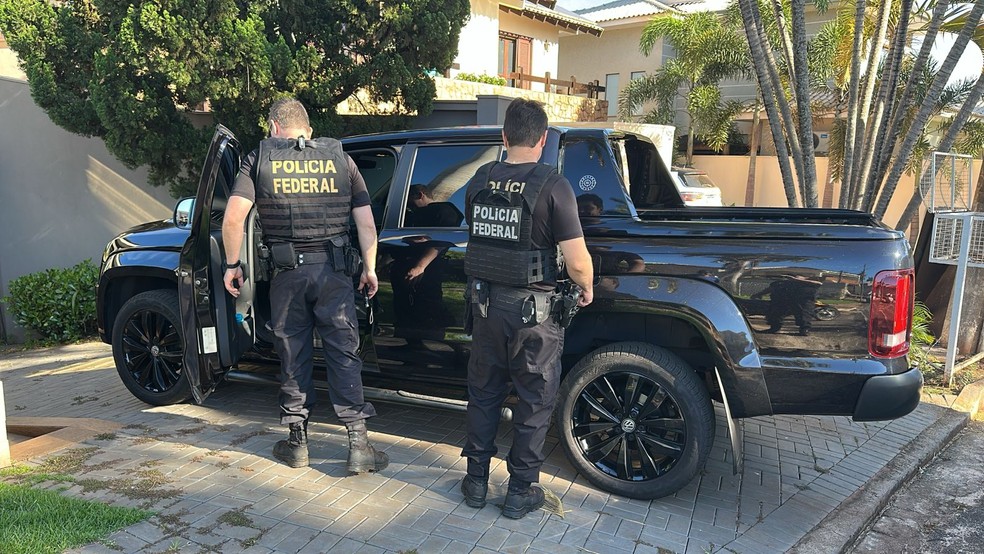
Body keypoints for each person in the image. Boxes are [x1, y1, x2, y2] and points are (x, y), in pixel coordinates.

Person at [221, 97, 388, 473]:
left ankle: (297, 444)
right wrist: (371, 269)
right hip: (335, 273)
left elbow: (233, 221)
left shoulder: (259, 158)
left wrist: (233, 264)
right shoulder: (340, 159)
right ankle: (359, 445)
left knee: (293, 353)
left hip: (287, 275)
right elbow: (366, 224)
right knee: (343, 353)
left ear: (274, 127)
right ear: (307, 130)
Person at [459, 98, 594, 519]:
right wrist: (586, 287)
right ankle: (520, 491)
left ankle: (476, 481)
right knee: (534, 401)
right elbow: (576, 260)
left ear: (504, 137)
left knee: (484, 393)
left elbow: (481, 238)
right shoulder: (553, 185)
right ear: (541, 139)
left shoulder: (480, 180)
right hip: (533, 315)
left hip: (485, 308)